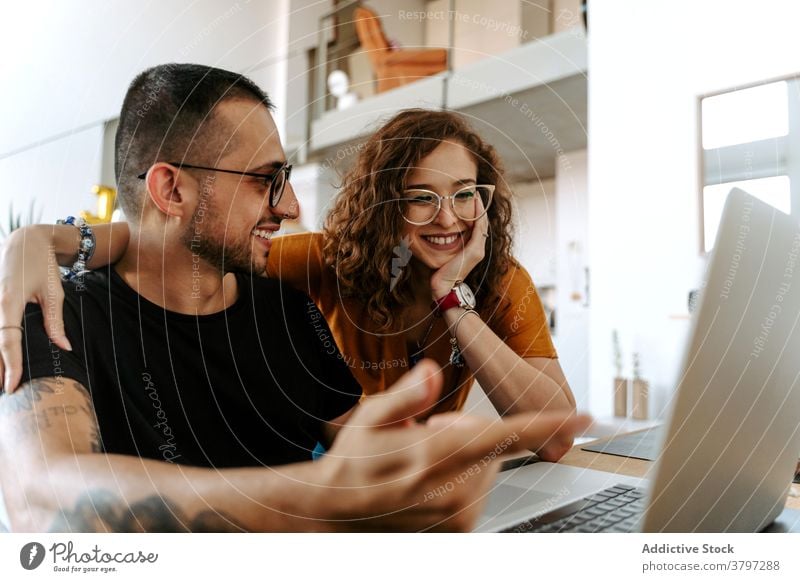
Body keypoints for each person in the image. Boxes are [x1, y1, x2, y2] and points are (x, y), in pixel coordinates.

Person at [0, 64, 587, 532]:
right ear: (172, 188)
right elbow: (41, 500)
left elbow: (364, 448)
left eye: (465, 196)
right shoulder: (51, 310)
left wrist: (427, 466)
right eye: (266, 180)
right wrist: (312, 503)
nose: (288, 207)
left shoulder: (282, 306)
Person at [1, 110, 575, 443]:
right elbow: (182, 248)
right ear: (383, 204)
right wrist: (48, 239)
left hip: (418, 479)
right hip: (339, 469)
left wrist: (455, 298)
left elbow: (553, 436)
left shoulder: (497, 279)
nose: (448, 219)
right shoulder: (328, 259)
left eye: (464, 195)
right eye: (420, 198)